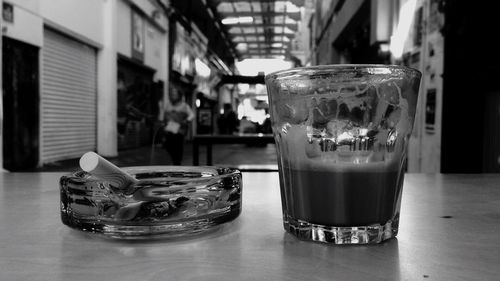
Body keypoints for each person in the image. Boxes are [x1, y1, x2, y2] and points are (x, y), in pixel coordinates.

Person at [163, 87, 194, 165]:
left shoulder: (184, 106)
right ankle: (175, 161)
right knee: (167, 145)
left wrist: (186, 121)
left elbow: (192, 115)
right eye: (171, 94)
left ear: (179, 96)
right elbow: (165, 116)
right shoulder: (168, 105)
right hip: (169, 129)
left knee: (177, 147)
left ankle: (177, 163)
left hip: (179, 131)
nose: (172, 96)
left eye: (174, 94)